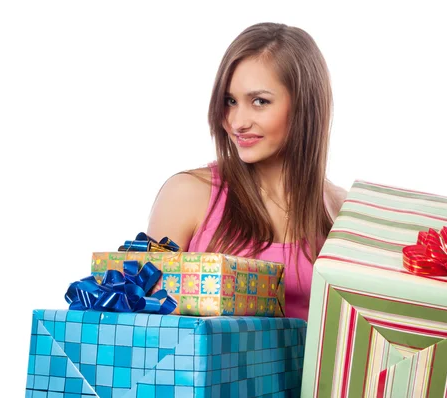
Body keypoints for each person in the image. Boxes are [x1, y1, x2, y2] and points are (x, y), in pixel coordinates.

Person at [147, 22, 346, 321]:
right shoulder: (188, 195)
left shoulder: (341, 210)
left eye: (259, 102)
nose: (237, 121)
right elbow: (139, 320)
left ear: (305, 106)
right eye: (230, 101)